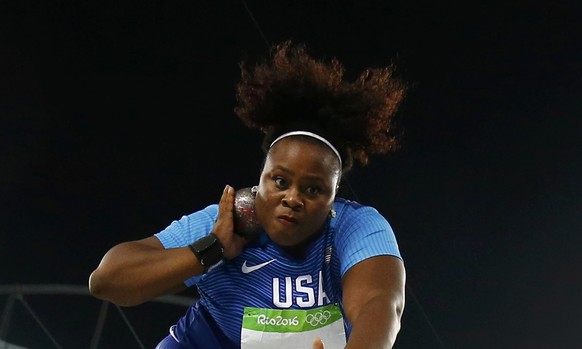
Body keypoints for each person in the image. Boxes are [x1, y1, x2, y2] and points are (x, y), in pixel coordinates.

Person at [89, 40, 407, 349]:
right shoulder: (226, 221)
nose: (293, 198)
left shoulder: (356, 227)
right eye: (280, 181)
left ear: (334, 196)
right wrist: (209, 250)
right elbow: (107, 282)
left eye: (313, 189)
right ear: (260, 181)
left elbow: (379, 305)